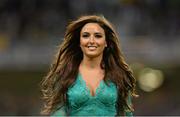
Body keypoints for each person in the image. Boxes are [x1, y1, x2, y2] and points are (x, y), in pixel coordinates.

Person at [40, 15, 137, 116]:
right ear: (79, 42)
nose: (91, 41)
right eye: (86, 36)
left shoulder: (120, 75)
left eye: (98, 36)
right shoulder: (64, 74)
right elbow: (57, 113)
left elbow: (126, 114)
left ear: (106, 42)